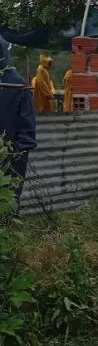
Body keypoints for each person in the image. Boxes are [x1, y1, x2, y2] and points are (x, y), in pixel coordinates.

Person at [0, 40, 37, 215]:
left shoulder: (16, 82)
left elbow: (27, 122)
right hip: (13, 149)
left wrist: (20, 149)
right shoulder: (17, 81)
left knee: (9, 192)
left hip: (12, 149)